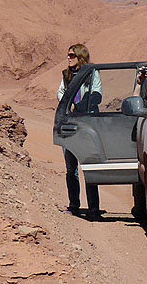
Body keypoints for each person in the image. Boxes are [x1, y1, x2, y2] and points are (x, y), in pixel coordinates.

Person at [57, 43, 103, 220]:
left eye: (72, 55)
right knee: (71, 169)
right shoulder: (66, 75)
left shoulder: (92, 74)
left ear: (80, 56)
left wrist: (79, 106)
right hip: (69, 125)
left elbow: (97, 95)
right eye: (68, 55)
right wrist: (68, 105)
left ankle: (94, 209)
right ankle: (74, 206)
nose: (69, 58)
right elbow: (60, 93)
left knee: (89, 168)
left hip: (87, 125)